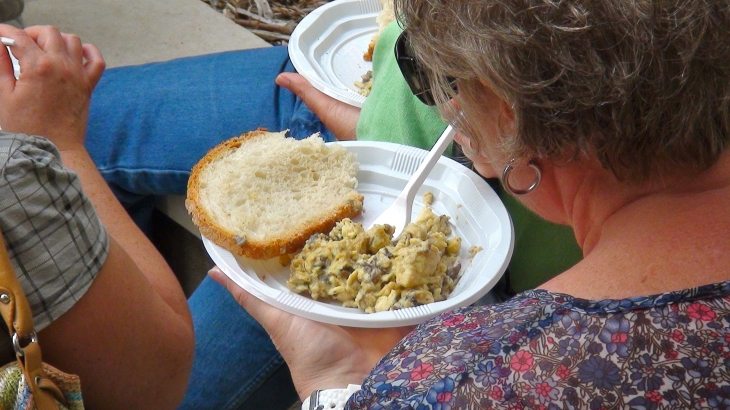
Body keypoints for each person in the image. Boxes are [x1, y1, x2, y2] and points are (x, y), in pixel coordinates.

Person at [209, 0, 730, 408]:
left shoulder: (467, 376)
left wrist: (335, 384)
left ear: (507, 112)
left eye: (432, 77)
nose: (441, 107)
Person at [83, 20, 581, 410]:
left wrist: (332, 385)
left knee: (148, 391)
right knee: (73, 114)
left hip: (491, 207)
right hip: (354, 114)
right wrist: (385, 106)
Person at [0, 24, 194, 409]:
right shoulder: (10, 178)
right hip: (151, 383)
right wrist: (59, 140)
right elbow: (157, 384)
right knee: (297, 289)